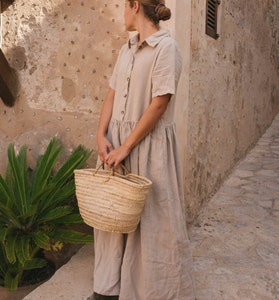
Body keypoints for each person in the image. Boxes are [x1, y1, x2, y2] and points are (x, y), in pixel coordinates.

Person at [89, 1, 195, 299]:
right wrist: (101, 134)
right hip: (117, 143)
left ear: (135, 6)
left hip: (148, 145)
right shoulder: (127, 49)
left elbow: (160, 103)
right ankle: (108, 287)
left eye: (124, 5)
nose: (122, 12)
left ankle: (156, 290)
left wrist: (126, 146)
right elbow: (110, 94)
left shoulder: (167, 48)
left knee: (153, 220)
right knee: (111, 215)